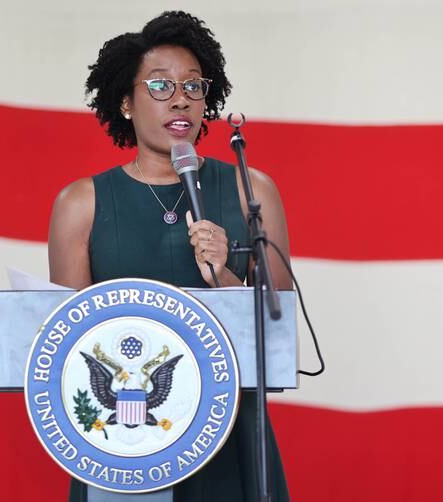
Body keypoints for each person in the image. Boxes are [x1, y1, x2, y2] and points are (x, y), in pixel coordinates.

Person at [48, 11, 292, 502]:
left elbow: (278, 329)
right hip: (124, 442)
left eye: (193, 86)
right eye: (159, 85)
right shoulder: (80, 204)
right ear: (125, 101)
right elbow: (66, 347)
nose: (180, 97)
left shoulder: (250, 189)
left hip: (225, 434)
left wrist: (222, 273)